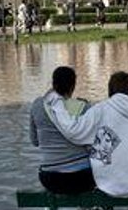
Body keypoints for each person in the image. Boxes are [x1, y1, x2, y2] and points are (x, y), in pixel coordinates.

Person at [47, 71, 128, 210]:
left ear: (110, 90)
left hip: (108, 184)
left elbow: (74, 131)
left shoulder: (101, 109)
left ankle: (104, 207)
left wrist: (59, 107)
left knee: (98, 149)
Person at [29, 66, 96, 198]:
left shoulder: (37, 105)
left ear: (53, 84)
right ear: (73, 86)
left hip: (50, 179)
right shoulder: (83, 107)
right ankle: (87, 209)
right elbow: (92, 143)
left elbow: (34, 141)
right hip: (83, 178)